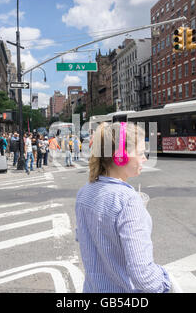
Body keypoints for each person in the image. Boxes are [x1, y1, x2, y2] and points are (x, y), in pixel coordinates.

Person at [75, 122, 175, 293]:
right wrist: (167, 282)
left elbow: (85, 238)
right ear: (120, 156)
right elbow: (143, 276)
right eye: (142, 153)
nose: (145, 158)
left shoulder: (84, 192)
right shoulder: (128, 201)